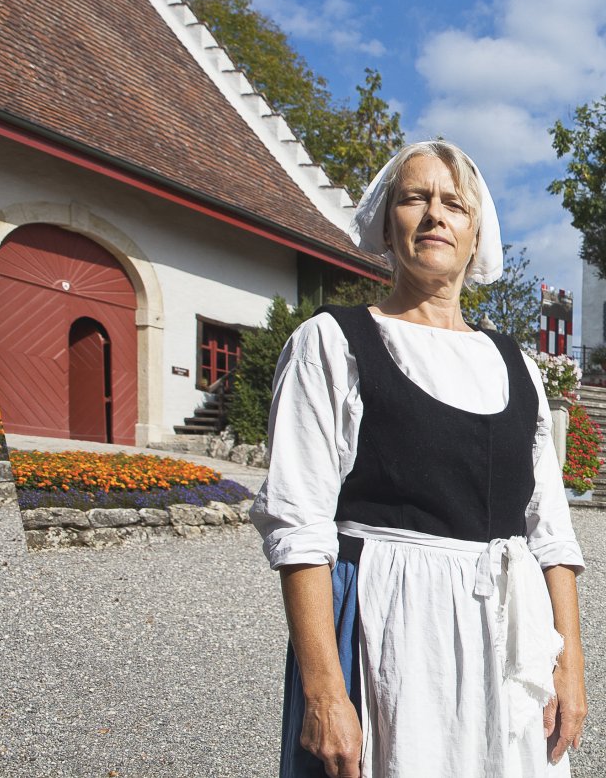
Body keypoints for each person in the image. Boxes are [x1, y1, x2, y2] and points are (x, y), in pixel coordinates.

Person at [251, 140, 585, 778]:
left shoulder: (518, 365)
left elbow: (551, 531)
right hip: (392, 629)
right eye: (416, 198)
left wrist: (569, 663)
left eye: (454, 203)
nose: (436, 215)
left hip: (510, 643)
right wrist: (324, 691)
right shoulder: (333, 343)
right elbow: (299, 527)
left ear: (475, 230)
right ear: (387, 219)